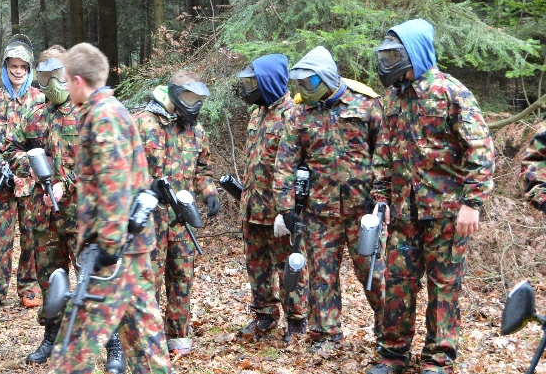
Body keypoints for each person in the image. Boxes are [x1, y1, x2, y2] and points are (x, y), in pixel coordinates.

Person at [16, 43, 178, 374]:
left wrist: (107, 243)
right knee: (139, 313)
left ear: (76, 80)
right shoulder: (106, 110)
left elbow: (114, 182)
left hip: (117, 240)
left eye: (63, 79)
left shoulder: (103, 116)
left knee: (87, 315)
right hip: (130, 239)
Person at [367, 19, 494, 374]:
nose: (389, 62)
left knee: (444, 286)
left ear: (415, 53)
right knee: (398, 282)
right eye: (387, 55)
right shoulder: (393, 98)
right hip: (402, 213)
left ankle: (437, 360)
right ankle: (392, 353)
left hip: (446, 213)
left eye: (395, 55)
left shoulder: (451, 92)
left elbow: (480, 150)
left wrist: (472, 203)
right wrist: (381, 199)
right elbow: (384, 153)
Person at [6, 46, 125, 374]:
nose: (51, 84)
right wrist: (33, 166)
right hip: (43, 213)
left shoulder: (87, 112)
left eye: (56, 75)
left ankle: (114, 345)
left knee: (95, 280)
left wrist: (65, 183)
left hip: (80, 214)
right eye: (44, 77)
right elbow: (11, 148)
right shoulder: (34, 113)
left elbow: (96, 163)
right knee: (49, 279)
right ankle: (52, 337)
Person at [273, 46, 384, 353]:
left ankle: (391, 338)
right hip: (319, 212)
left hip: (363, 212)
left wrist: (381, 197)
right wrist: (286, 208)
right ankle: (325, 336)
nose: (302, 89)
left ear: (326, 77)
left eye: (308, 82)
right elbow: (285, 162)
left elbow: (385, 153)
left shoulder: (366, 103)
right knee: (322, 276)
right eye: (299, 83)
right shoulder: (299, 113)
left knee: (374, 273)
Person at [135, 71, 219, 355]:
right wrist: (147, 185)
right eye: (190, 98)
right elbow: (124, 168)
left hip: (182, 218)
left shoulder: (196, 131)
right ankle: (148, 337)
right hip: (150, 219)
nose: (195, 105)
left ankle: (177, 335)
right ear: (175, 94)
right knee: (149, 278)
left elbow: (203, 169)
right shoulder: (142, 123)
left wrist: (209, 193)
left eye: (198, 99)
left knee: (182, 276)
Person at [236, 54, 308, 341]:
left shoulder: (293, 114)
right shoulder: (258, 113)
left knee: (288, 265)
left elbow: (299, 167)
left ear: (269, 81)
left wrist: (289, 209)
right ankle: (264, 314)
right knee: (257, 265)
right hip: (252, 206)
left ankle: (297, 320)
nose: (249, 89)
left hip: (280, 209)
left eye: (254, 82)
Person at [0, 34, 45, 309]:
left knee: (31, 235)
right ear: (5, 67)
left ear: (29, 69)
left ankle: (29, 288)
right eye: (13, 66)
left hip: (31, 180)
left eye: (23, 67)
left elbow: (47, 139)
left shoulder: (40, 100)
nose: (18, 71)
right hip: (1, 181)